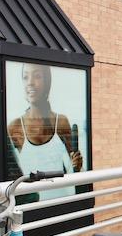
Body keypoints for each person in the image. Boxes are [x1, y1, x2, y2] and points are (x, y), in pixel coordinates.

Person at [7, 63, 82, 200]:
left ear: (47, 82)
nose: (30, 83)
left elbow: (73, 167)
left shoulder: (61, 121)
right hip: (32, 206)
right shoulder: (15, 127)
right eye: (25, 77)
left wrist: (76, 164)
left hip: (63, 199)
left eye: (37, 76)